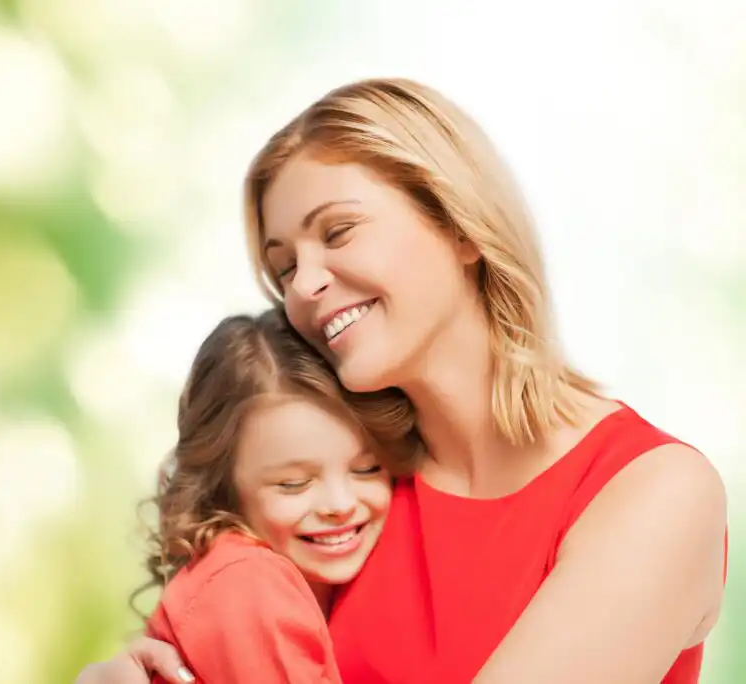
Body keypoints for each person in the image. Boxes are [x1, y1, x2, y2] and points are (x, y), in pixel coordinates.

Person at [77, 78, 727, 684]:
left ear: (459, 225)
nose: (303, 286)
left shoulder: (653, 492)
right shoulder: (351, 499)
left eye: (338, 232)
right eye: (283, 269)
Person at [134, 308, 414, 683]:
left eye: (367, 469)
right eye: (294, 483)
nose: (340, 504)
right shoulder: (248, 585)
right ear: (224, 486)